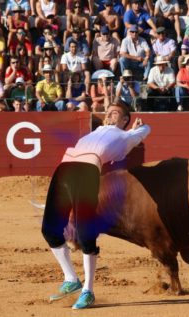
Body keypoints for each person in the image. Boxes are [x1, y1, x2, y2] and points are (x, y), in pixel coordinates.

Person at [42, 102, 150, 310]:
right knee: (49, 229)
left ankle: (88, 291)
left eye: (115, 112)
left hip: (87, 171)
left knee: (84, 234)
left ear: (125, 120)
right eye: (108, 111)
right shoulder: (98, 130)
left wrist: (139, 128)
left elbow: (146, 130)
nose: (109, 114)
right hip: (63, 170)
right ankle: (71, 279)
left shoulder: (127, 137)